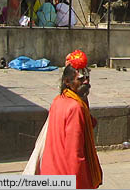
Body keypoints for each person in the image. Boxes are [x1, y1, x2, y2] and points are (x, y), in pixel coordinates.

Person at [40, 49, 103, 188]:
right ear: (67, 82)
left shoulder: (58, 100)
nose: (85, 82)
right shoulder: (75, 108)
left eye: (87, 78)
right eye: (80, 79)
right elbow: (74, 154)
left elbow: (89, 122)